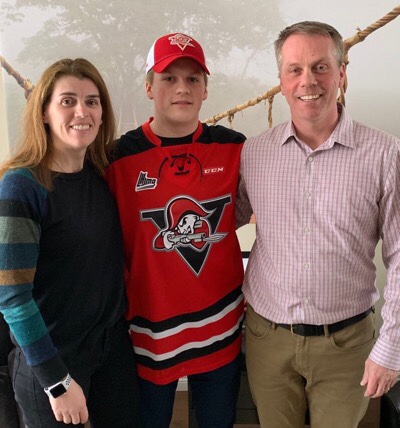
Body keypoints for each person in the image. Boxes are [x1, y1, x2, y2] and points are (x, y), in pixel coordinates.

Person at [236, 21, 400, 428]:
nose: (307, 81)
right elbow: (219, 223)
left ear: (341, 73)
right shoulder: (253, 154)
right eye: (294, 69)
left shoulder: (385, 154)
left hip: (346, 344)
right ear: (281, 81)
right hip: (267, 341)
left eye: (320, 67)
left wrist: (391, 347)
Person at [105, 33, 246, 428]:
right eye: (169, 78)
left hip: (220, 324)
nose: (182, 88)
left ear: (205, 89)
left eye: (193, 78)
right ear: (149, 87)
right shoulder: (116, 158)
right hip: (149, 330)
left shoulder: (235, 148)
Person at [0, 58, 140, 427]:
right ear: (44, 113)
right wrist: (57, 381)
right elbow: (12, 296)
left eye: (92, 101)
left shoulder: (101, 174)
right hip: (51, 358)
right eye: (67, 101)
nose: (82, 112)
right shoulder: (21, 186)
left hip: (110, 351)